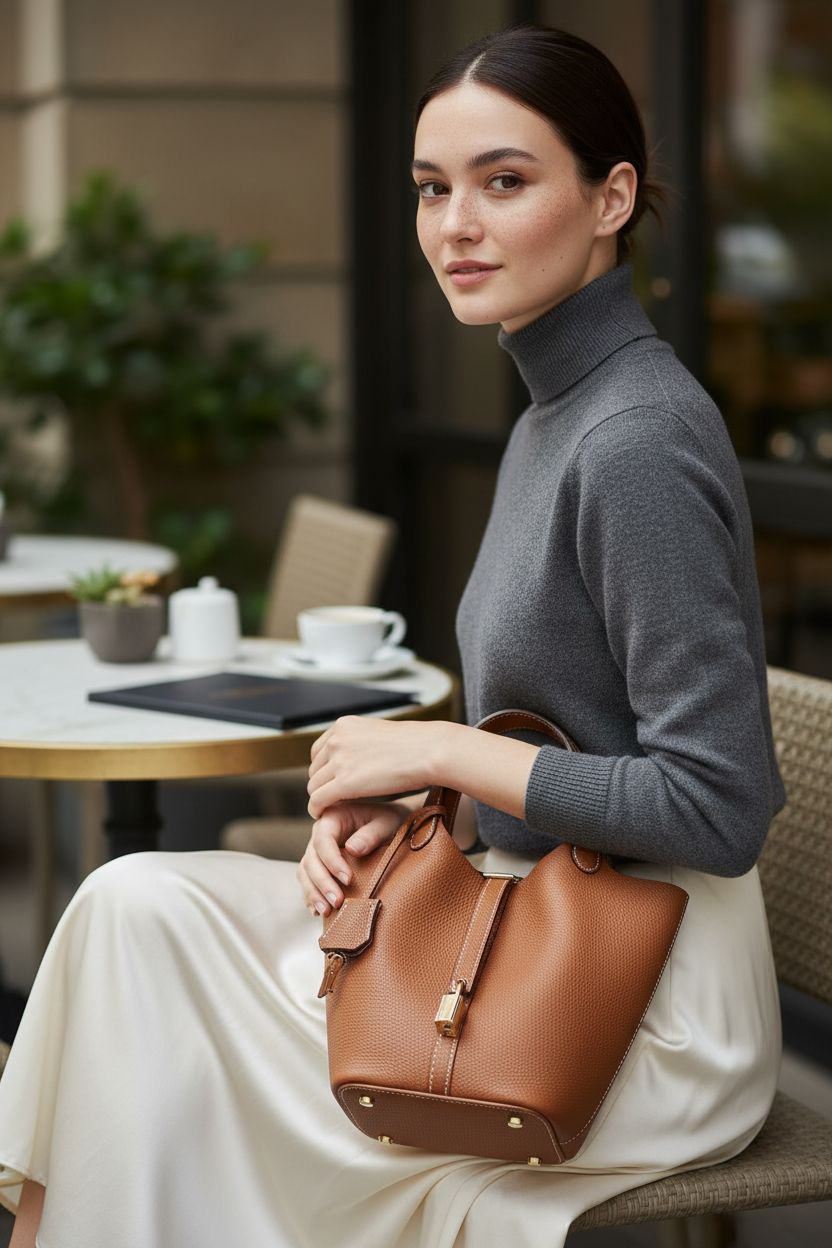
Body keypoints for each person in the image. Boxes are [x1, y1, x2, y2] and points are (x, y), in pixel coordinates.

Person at [0, 23, 785, 1248]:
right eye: (431, 188)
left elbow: (717, 804)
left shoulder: (631, 439)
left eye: (503, 181)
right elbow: (576, 737)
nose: (455, 225)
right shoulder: (555, 413)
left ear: (610, 198)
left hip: (639, 1001)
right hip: (526, 916)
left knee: (156, 1007)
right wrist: (431, 811)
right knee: (128, 910)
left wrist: (440, 753)